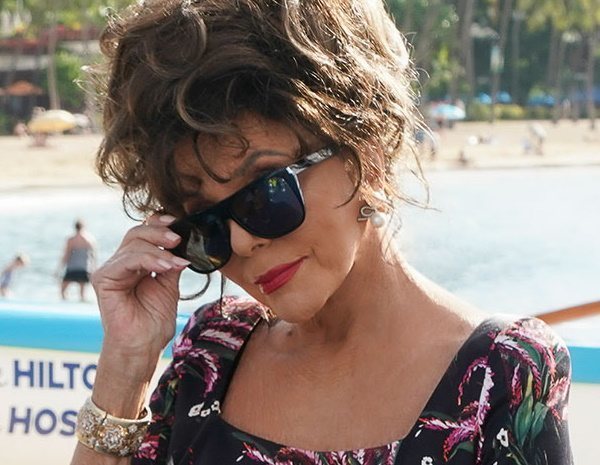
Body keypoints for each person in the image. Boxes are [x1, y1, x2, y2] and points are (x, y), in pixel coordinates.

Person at [70, 1, 572, 464]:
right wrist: (126, 368)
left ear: (367, 151)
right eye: (207, 223)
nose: (242, 242)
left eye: (267, 193)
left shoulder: (501, 375)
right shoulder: (211, 354)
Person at [59, 219, 97, 301]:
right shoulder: (90, 240)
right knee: (82, 295)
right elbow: (93, 257)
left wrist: (59, 268)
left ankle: (65, 304)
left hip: (72, 268)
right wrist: (94, 269)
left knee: (63, 291)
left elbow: (66, 255)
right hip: (84, 268)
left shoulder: (71, 240)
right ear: (83, 226)